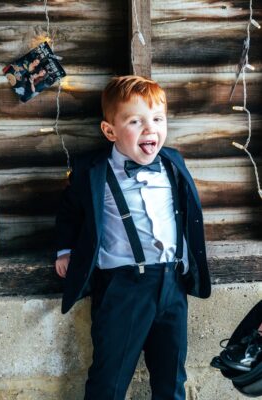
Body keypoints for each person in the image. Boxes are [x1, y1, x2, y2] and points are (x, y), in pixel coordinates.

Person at [55, 75, 211, 400]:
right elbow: (69, 212)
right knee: (109, 381)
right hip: (123, 287)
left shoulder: (173, 163)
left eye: (157, 119)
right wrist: (65, 249)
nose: (149, 128)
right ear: (109, 131)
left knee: (171, 380)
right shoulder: (93, 171)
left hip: (173, 284)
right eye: (135, 121)